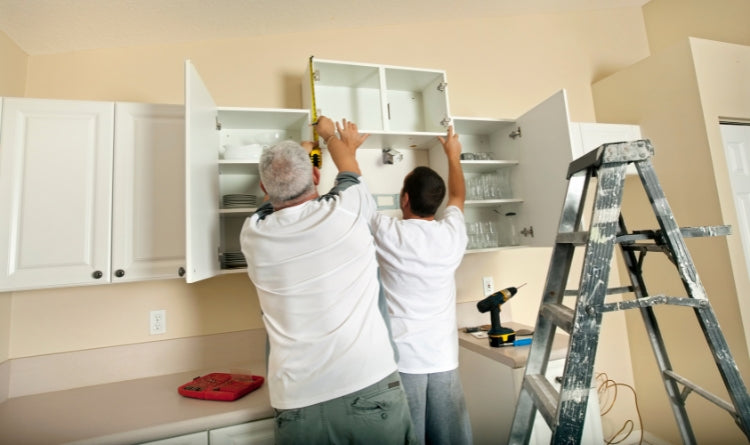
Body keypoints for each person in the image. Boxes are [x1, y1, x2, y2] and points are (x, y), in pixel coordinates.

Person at [239, 116, 417, 445]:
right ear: (317, 176)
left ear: (264, 188)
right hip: (368, 385)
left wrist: (303, 154)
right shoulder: (348, 211)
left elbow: (271, 207)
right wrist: (330, 135)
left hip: (297, 402)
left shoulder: (252, 236)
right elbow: (349, 169)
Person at [370, 125, 473, 445]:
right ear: (437, 203)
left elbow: (357, 199)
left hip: (403, 362)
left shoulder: (389, 233)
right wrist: (453, 156)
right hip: (444, 359)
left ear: (404, 198)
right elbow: (458, 195)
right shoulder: (452, 233)